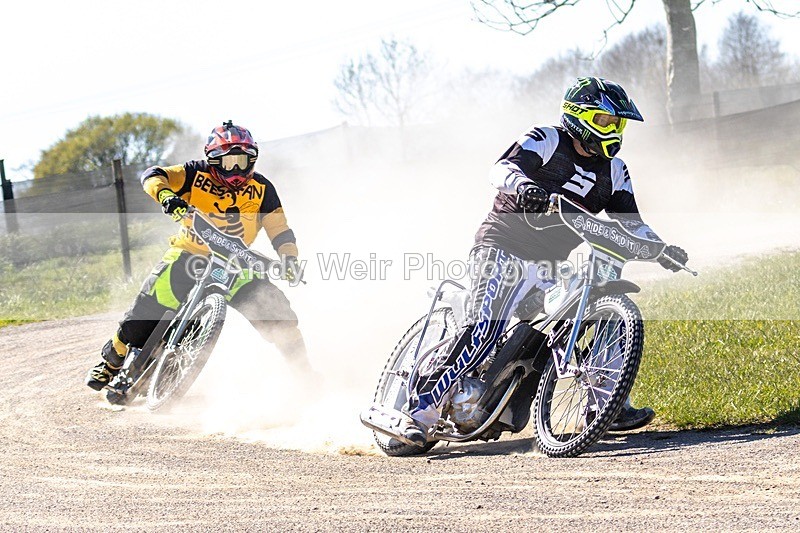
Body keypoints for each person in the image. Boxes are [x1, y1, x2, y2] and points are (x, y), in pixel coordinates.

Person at [401, 77, 688, 445]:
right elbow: (500, 169)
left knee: (598, 314)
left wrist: (661, 248)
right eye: (605, 121)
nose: (614, 130)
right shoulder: (547, 139)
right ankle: (420, 410)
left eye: (618, 124)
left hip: (550, 266)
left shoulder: (615, 171)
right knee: (484, 329)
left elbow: (632, 223)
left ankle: (607, 406)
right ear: (578, 117)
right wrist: (525, 187)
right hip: (500, 246)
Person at [86, 121, 311, 392]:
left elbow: (281, 230)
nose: (236, 169)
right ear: (212, 160)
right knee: (146, 308)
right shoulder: (194, 173)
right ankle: (111, 361)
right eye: (228, 163)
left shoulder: (263, 189)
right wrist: (168, 197)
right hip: (189, 253)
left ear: (253, 159)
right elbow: (152, 175)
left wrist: (290, 259)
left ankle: (305, 374)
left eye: (242, 161)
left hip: (236, 264)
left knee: (277, 312)